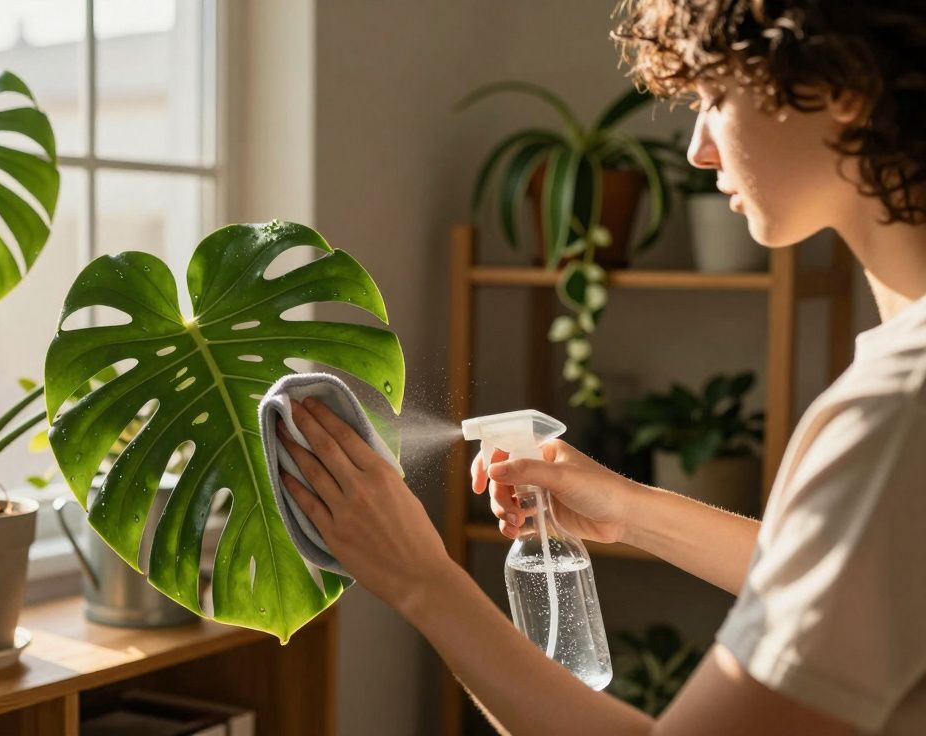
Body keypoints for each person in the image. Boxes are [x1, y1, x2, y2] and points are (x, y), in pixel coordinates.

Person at [275, 1, 926, 733]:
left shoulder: (897, 410)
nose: (699, 149)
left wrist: (422, 582)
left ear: (843, 85)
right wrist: (630, 510)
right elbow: (859, 583)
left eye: (714, 98)